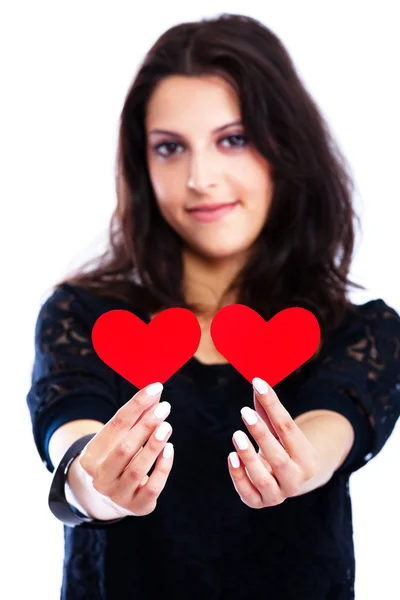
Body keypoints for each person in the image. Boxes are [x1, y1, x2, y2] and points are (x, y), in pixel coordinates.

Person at [26, 12, 400, 600]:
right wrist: (93, 483)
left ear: (286, 145)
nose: (201, 177)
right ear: (141, 165)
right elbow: (73, 431)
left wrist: (300, 464)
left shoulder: (360, 330)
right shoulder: (83, 314)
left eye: (233, 139)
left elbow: (333, 425)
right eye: (170, 148)